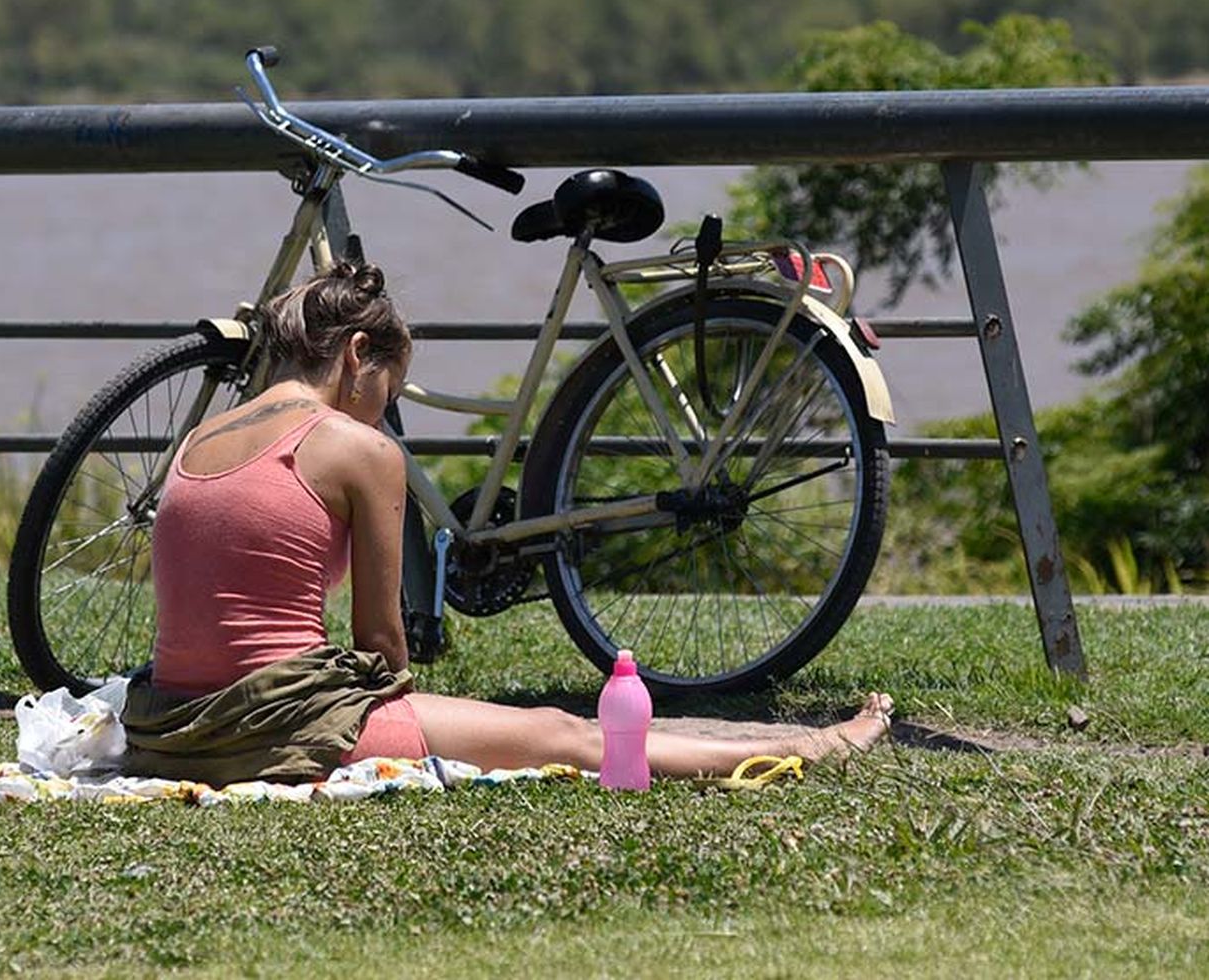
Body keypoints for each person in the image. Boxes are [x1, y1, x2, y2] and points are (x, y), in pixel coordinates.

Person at [120, 261, 893, 785]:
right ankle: (810, 745)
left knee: (541, 727)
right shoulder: (357, 449)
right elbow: (382, 649)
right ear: (358, 354)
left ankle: (778, 743)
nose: (387, 405)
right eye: (391, 385)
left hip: (163, 729)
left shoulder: (199, 439)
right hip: (269, 733)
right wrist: (413, 718)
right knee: (566, 733)